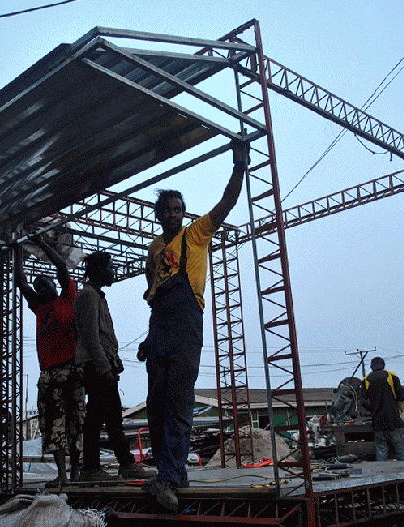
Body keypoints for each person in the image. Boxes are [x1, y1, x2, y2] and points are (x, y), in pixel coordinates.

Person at [140, 138, 249, 510]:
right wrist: (149, 337)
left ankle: (169, 477)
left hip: (187, 321)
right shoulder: (154, 250)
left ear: (184, 213)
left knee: (178, 401)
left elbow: (228, 202)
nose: (173, 214)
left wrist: (239, 167)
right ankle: (173, 472)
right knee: (156, 403)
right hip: (160, 323)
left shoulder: (198, 233)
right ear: (159, 214)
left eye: (178, 209)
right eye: (167, 209)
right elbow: (152, 287)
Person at [74, 251, 156, 482]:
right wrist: (104, 368)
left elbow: (100, 337)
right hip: (96, 367)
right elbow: (91, 338)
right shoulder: (88, 296)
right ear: (99, 270)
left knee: (100, 418)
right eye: (110, 267)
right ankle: (117, 466)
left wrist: (113, 364)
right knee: (108, 418)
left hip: (100, 365)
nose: (114, 271)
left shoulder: (96, 296)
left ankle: (94, 468)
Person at [14, 236, 83, 487]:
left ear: (55, 286)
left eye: (46, 284)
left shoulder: (67, 298)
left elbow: (62, 267)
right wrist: (18, 252)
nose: (42, 288)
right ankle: (62, 474)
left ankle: (75, 471)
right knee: (53, 425)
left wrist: (42, 243)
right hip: (49, 374)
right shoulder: (38, 307)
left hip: (71, 368)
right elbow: (21, 282)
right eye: (38, 286)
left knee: (75, 421)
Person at [359, 357, 404, 461]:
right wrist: (403, 412)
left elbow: (362, 401)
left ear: (371, 367)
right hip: (394, 421)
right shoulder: (391, 376)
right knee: (402, 453)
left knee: (381, 453)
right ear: (383, 365)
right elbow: (401, 397)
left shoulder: (366, 380)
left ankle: (382, 473)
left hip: (378, 423)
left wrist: (373, 409)